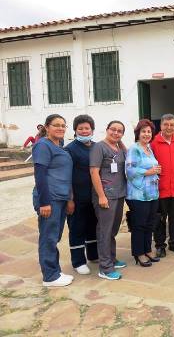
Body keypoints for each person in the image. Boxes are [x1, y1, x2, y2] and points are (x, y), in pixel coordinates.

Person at [32, 114, 74, 287]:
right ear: (47, 127)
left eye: (63, 126)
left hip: (62, 198)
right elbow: (40, 175)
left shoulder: (60, 145)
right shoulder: (42, 145)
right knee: (48, 237)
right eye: (56, 125)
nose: (61, 128)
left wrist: (70, 198)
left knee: (54, 236)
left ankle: (54, 271)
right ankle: (50, 276)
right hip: (50, 199)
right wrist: (44, 202)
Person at [90, 120, 127, 280]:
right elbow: (93, 172)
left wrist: (121, 141)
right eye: (113, 129)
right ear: (106, 129)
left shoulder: (119, 148)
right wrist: (101, 196)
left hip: (119, 194)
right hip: (105, 196)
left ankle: (111, 257)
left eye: (120, 131)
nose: (116, 133)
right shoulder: (99, 147)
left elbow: (127, 156)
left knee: (113, 229)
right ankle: (105, 267)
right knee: (104, 231)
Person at [65, 115, 98, 275]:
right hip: (77, 198)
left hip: (94, 197)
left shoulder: (97, 147)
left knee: (93, 226)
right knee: (77, 228)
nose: (84, 131)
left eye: (87, 128)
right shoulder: (70, 149)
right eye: (81, 128)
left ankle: (93, 254)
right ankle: (78, 261)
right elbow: (66, 176)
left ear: (92, 129)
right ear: (75, 130)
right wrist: (69, 199)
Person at [125, 119, 161, 267]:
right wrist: (148, 172)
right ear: (138, 133)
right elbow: (129, 170)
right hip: (138, 194)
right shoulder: (134, 148)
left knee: (150, 223)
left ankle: (147, 249)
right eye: (143, 131)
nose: (146, 134)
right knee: (139, 225)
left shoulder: (149, 148)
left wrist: (155, 171)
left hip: (152, 193)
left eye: (149, 131)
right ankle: (139, 253)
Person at [151, 114, 174, 257]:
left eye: (172, 125)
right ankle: (160, 245)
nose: (169, 127)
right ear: (161, 126)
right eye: (166, 125)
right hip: (160, 189)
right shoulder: (154, 143)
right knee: (159, 220)